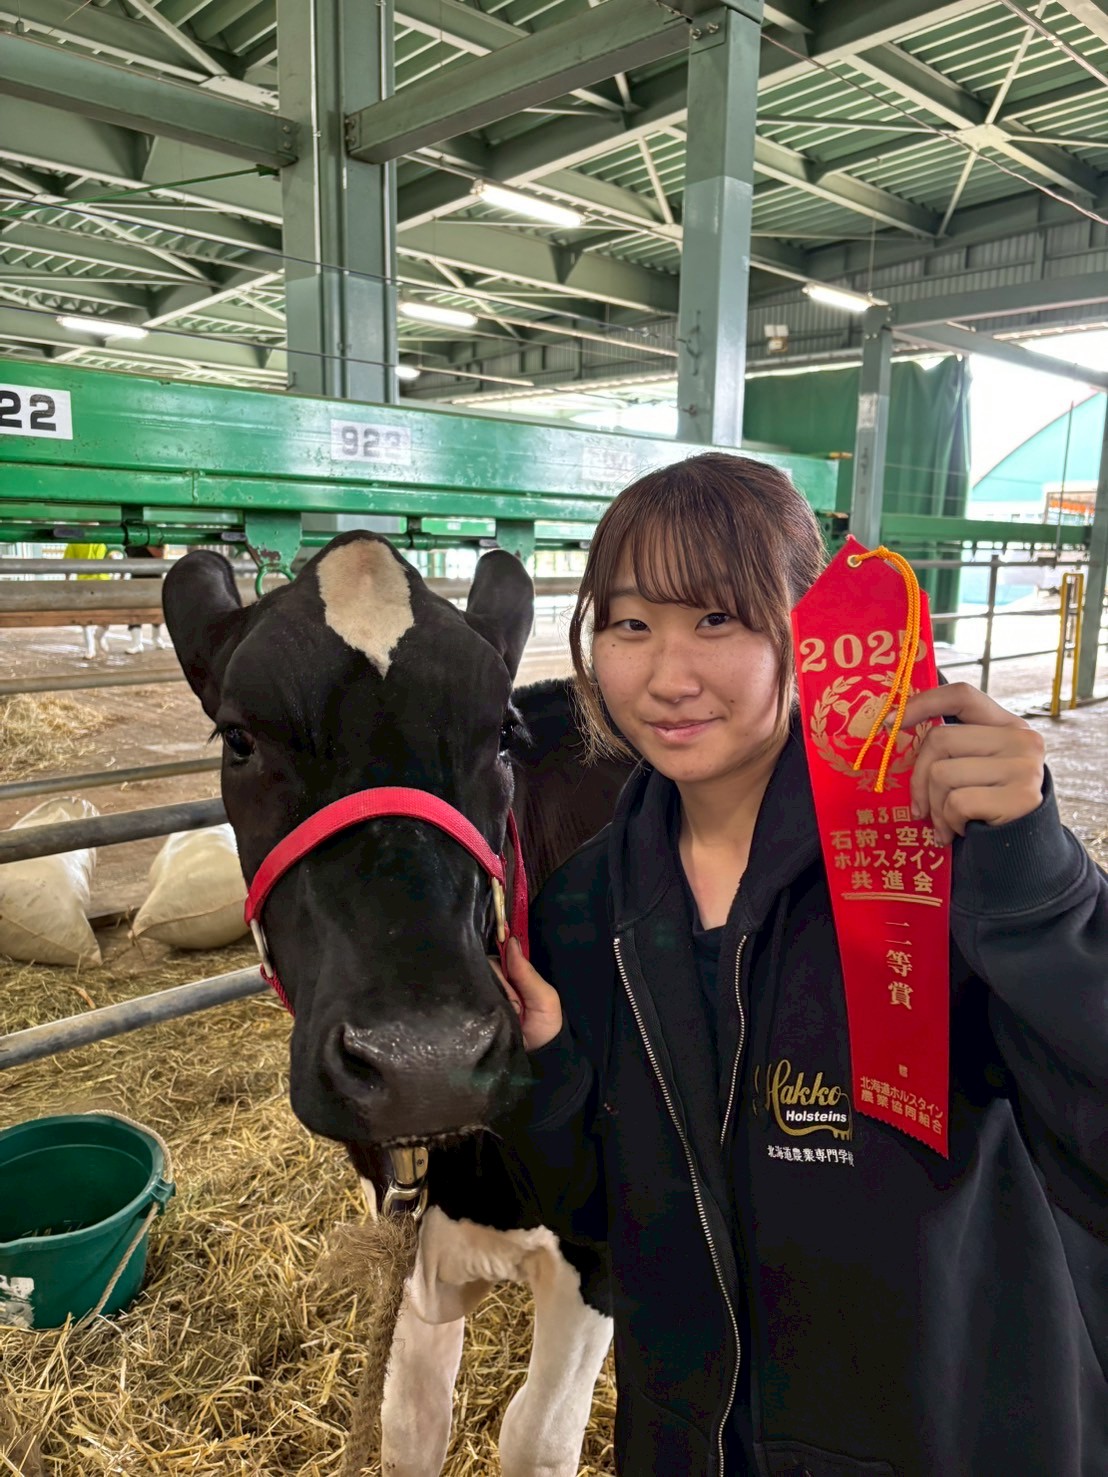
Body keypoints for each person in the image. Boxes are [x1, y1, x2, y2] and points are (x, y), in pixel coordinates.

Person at [499, 453, 1107, 1477]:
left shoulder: (937, 854)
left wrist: (1040, 884)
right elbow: (600, 1226)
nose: (667, 674)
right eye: (629, 623)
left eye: (718, 620)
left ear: (807, 627)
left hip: (955, 1434)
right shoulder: (586, 905)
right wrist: (545, 1068)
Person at [62, 541, 112, 658]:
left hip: (104, 582)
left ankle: (98, 636)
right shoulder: (74, 543)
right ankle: (90, 648)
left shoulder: (106, 539)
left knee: (108, 616)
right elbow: (67, 563)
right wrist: (67, 581)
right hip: (84, 583)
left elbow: (115, 556)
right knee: (85, 617)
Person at [122, 543, 171, 654]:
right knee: (135, 610)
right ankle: (136, 643)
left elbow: (160, 554)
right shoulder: (131, 539)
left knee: (156, 608)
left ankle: (156, 638)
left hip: (154, 578)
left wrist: (146, 542)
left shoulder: (155, 535)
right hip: (136, 578)